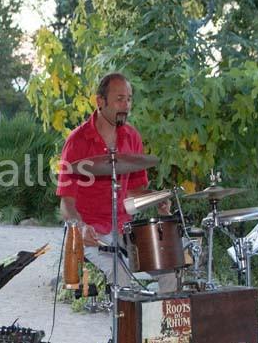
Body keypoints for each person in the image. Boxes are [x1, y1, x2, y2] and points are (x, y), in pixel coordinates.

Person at [57, 73, 174, 291]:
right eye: (120, 99)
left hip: (125, 230)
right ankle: (125, 324)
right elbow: (66, 203)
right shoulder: (77, 141)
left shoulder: (132, 137)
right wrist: (81, 227)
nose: (126, 105)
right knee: (120, 272)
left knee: (169, 268)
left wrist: (156, 199)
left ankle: (160, 323)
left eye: (129, 99)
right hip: (92, 233)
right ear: (100, 101)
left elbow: (135, 191)